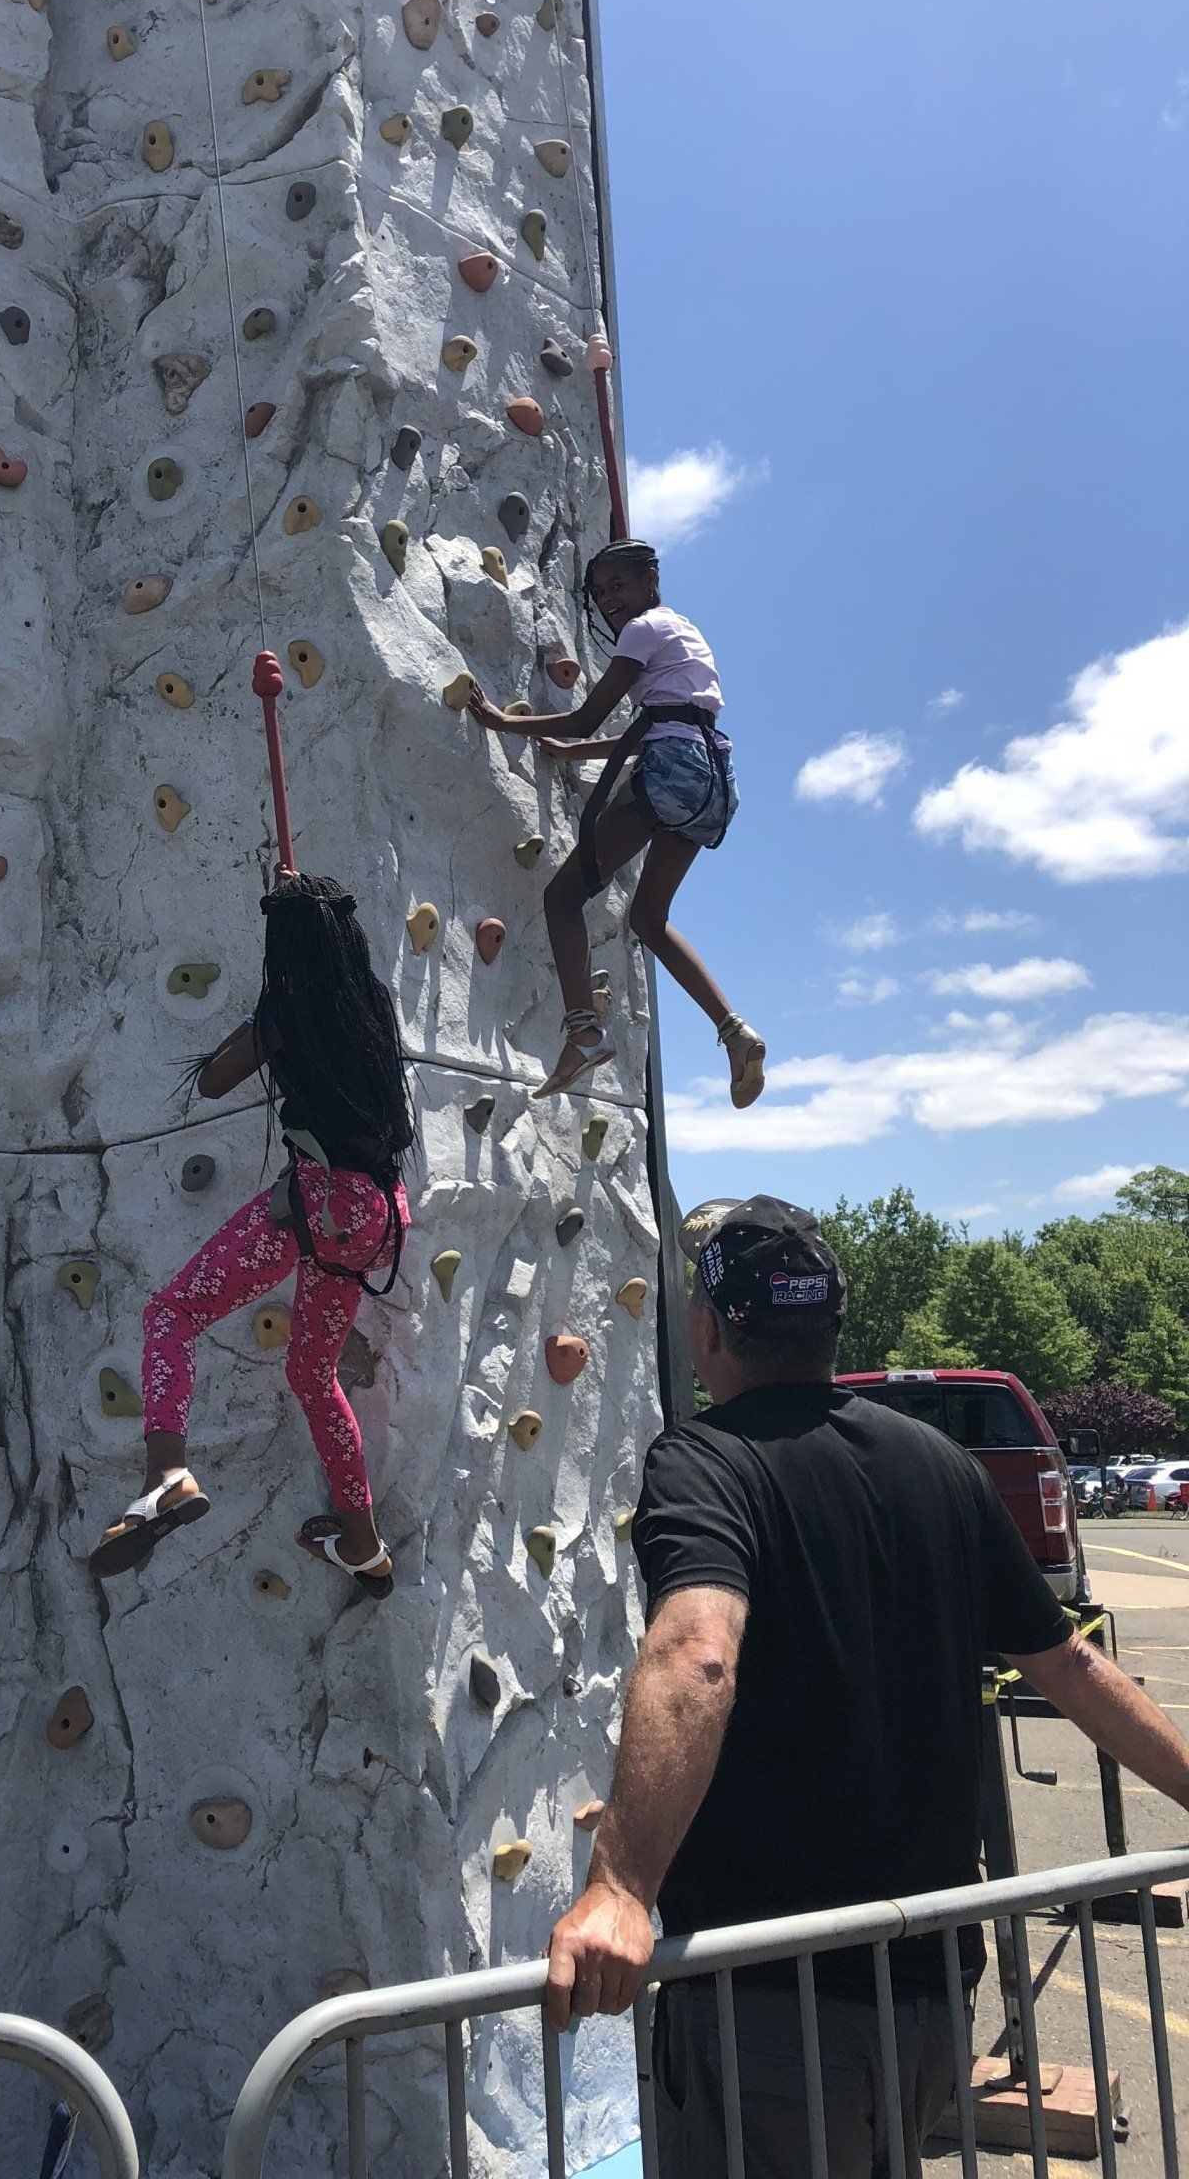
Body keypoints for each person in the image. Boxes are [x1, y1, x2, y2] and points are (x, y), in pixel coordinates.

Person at [543, 1196, 1189, 2177]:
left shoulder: (708, 1461)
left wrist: (621, 1887)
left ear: (710, 1328)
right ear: (833, 1324)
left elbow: (699, 1653)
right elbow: (1071, 1664)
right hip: (930, 1993)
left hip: (771, 2008)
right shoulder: (943, 1463)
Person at [90, 872, 413, 1595]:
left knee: (172, 1313)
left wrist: (266, 1020)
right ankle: (361, 1543)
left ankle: (166, 1473)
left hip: (314, 1209)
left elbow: (212, 1081)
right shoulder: (372, 1006)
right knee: (312, 1371)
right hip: (372, 1216)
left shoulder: (289, 1011)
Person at [462, 537, 764, 1106]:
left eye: (618, 587)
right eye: (600, 594)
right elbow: (656, 727)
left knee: (562, 897)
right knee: (649, 920)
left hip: (674, 772)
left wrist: (504, 722)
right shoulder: (686, 635)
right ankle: (734, 1031)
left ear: (651, 579)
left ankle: (582, 1031)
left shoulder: (642, 631)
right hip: (713, 782)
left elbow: (587, 717)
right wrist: (571, 756)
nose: (609, 602)